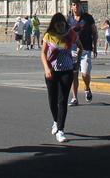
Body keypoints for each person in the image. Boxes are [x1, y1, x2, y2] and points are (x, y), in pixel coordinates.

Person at [40, 12, 77, 143]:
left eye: (62, 23)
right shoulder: (48, 35)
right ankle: (56, 121)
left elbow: (80, 46)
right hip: (52, 71)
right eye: (58, 24)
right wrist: (46, 68)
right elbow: (43, 54)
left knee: (62, 100)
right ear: (54, 25)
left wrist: (77, 61)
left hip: (67, 70)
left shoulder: (70, 33)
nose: (61, 26)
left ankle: (60, 130)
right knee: (52, 100)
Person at [67, 0, 97, 105]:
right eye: (74, 5)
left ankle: (87, 88)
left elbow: (94, 32)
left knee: (85, 74)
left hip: (86, 49)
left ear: (80, 6)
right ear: (71, 6)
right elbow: (66, 34)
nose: (76, 7)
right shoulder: (69, 19)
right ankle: (75, 98)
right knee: (74, 74)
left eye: (77, 5)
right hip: (73, 51)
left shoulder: (88, 18)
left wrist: (95, 47)